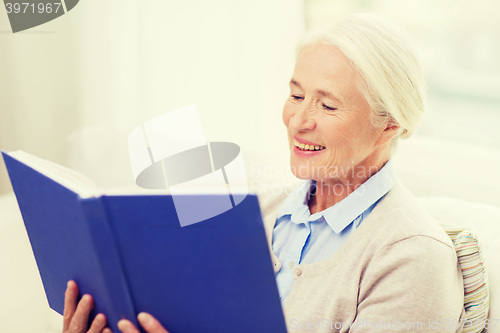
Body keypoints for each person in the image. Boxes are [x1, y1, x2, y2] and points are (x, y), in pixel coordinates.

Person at [62, 13, 465, 333]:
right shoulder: (247, 208)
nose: (298, 121)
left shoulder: (413, 258)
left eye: (327, 106)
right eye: (296, 95)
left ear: (390, 125)